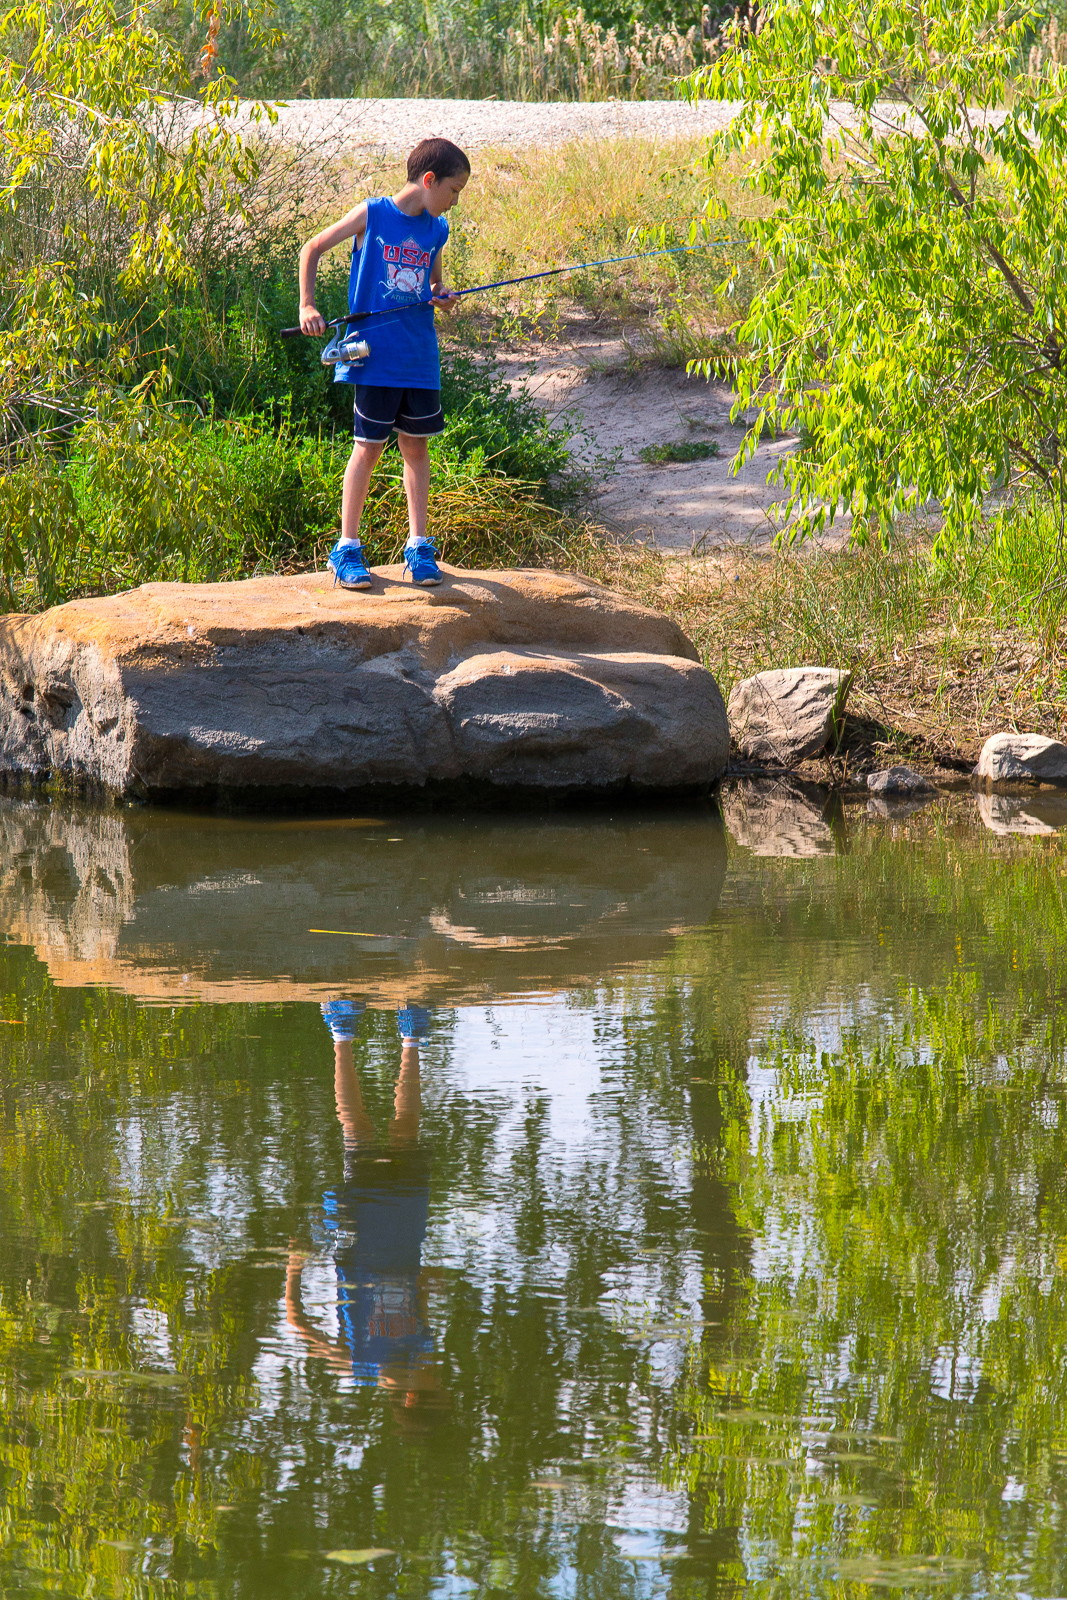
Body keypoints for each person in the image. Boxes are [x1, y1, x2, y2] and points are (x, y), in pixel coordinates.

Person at [297, 137, 471, 592]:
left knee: (416, 448)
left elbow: (433, 284)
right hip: (374, 356)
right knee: (368, 448)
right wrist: (307, 307)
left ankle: (418, 547)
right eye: (454, 190)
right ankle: (347, 549)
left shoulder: (437, 230)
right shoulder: (372, 214)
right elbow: (312, 247)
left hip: (418, 358)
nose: (455, 200)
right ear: (429, 180)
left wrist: (441, 297)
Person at [285, 1001, 447, 1426]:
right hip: (408, 1225)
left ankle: (342, 1028)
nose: (440, 1379)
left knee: (357, 1130)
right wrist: (431, 1281)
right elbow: (418, 1292)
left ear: (413, 1399)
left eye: (438, 1389)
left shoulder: (359, 1364)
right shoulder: (423, 1348)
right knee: (406, 1130)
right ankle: (411, 1032)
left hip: (364, 1229)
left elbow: (298, 1324)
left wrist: (294, 1267)